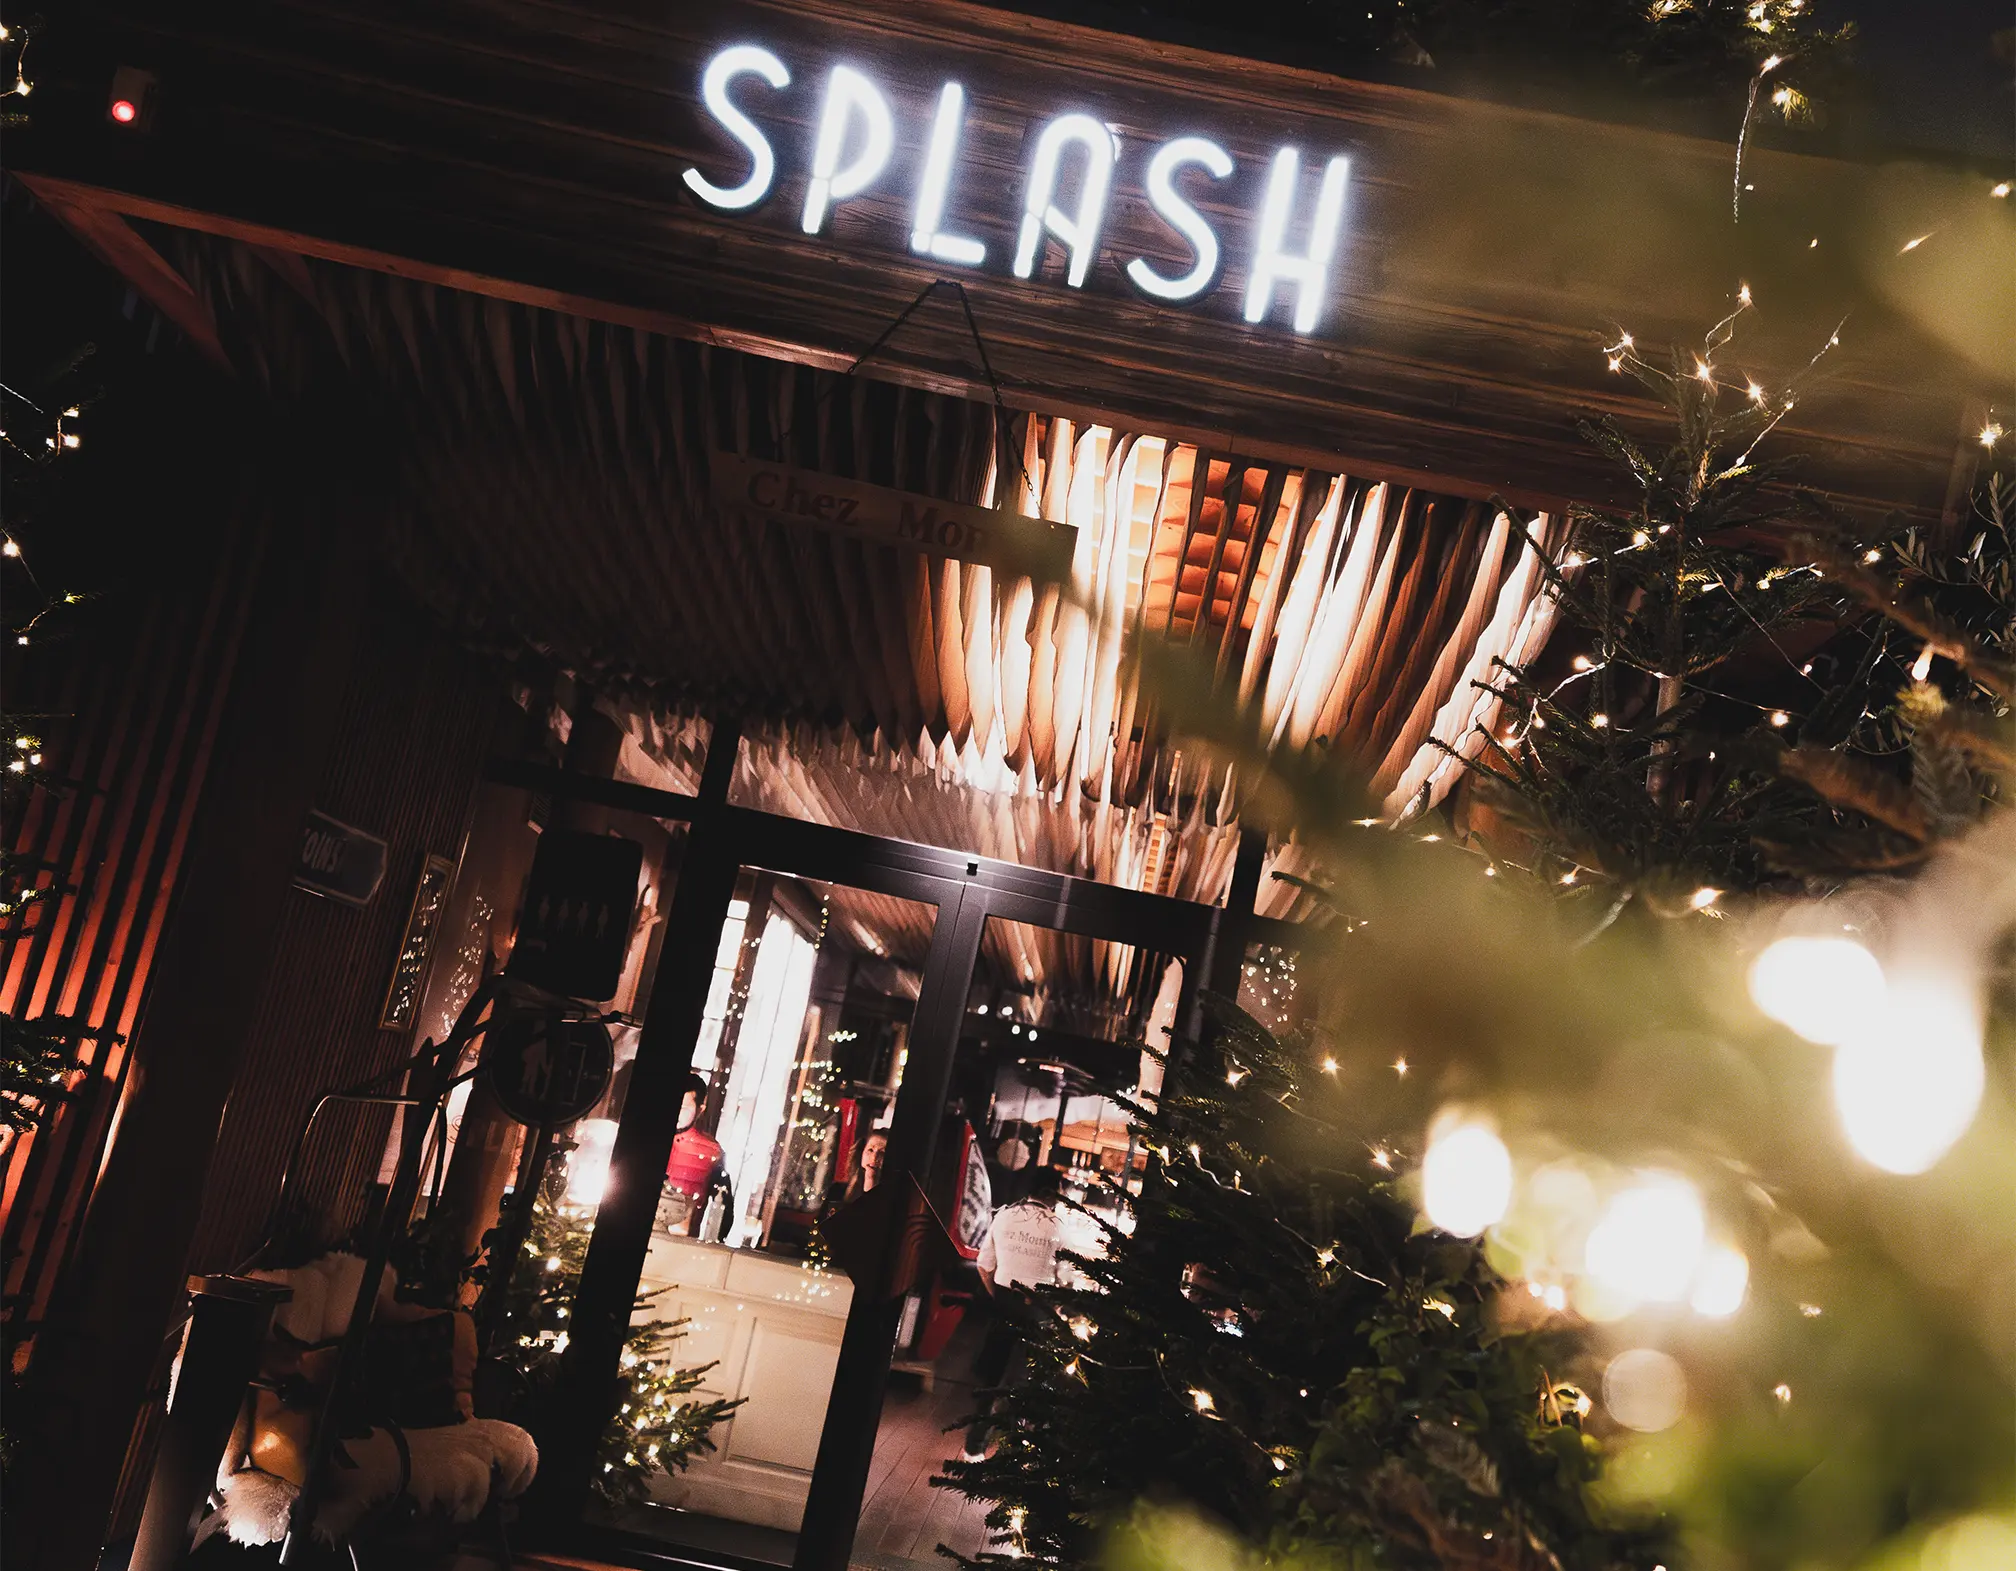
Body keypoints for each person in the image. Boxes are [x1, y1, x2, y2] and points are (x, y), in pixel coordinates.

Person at [964, 1164, 1063, 1457]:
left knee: (993, 1378)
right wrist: (1053, 1306)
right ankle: (1014, 1452)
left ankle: (974, 1448)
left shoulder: (1005, 1216)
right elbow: (1065, 1274)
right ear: (1055, 1192)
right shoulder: (1058, 1225)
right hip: (1037, 1311)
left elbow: (984, 1265)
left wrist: (999, 1295)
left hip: (1004, 1305)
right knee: (1027, 1381)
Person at [664, 1071, 731, 1238]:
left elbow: (723, 1206)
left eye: (684, 1108)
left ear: (700, 1110)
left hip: (680, 1240)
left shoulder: (711, 1152)